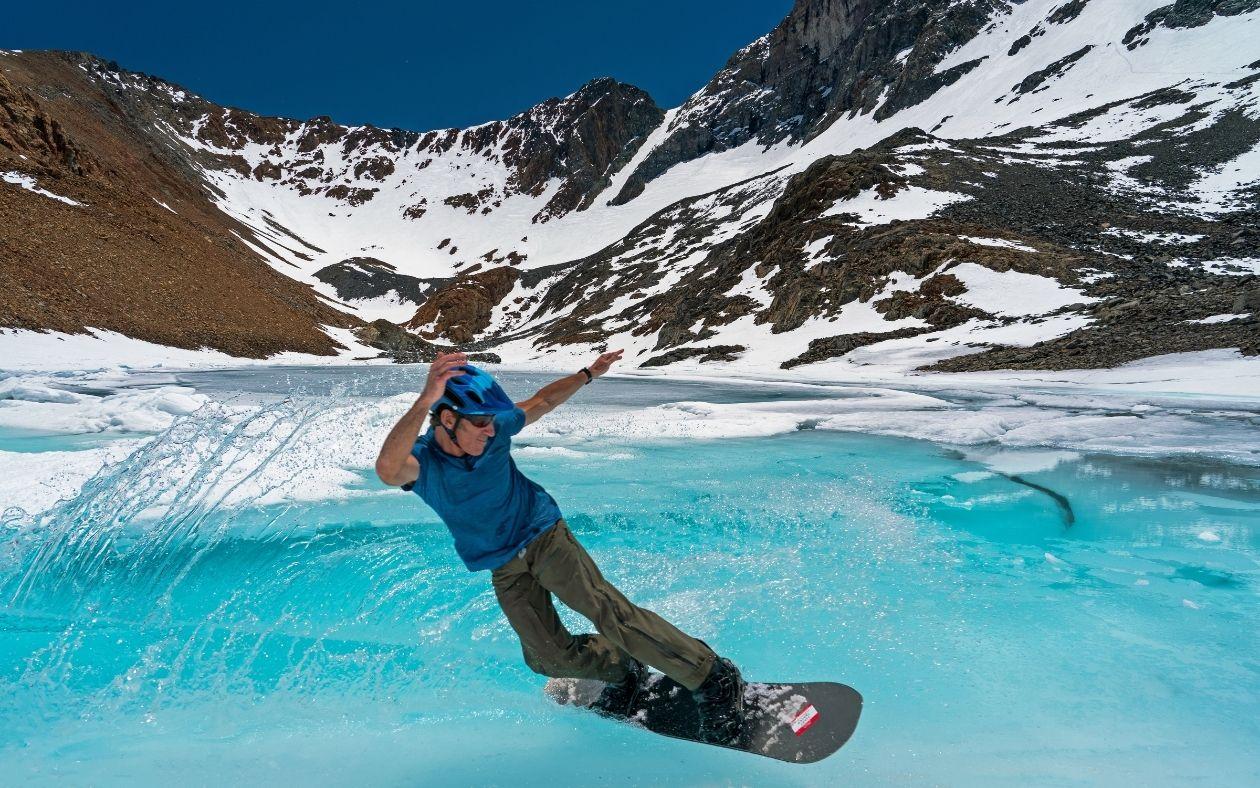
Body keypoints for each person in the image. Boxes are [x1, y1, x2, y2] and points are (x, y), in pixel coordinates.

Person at [374, 350, 746, 744]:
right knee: (546, 657)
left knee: (609, 612)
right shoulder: (424, 464)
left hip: (543, 534)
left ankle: (712, 676)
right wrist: (424, 400)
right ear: (448, 419)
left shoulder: (495, 430)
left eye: (490, 423)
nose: (490, 431)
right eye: (480, 423)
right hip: (502, 562)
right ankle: (621, 668)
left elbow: (541, 402)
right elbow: (387, 469)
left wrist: (588, 373)